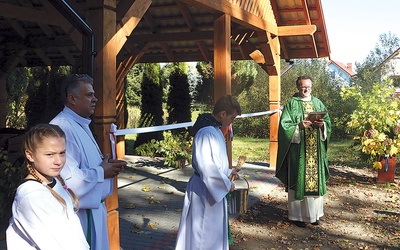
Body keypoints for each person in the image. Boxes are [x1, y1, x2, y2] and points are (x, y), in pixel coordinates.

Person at [50, 74, 126, 250]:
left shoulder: (79, 123)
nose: (95, 99)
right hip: (82, 216)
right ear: (72, 98)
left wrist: (104, 164)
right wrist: (102, 172)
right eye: (89, 95)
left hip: (95, 211)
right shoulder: (62, 127)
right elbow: (68, 181)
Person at [6, 124, 89, 249]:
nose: (59, 161)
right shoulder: (31, 195)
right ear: (30, 155)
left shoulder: (54, 181)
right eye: (50, 154)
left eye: (62, 153)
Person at [175, 95, 241, 250]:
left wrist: (229, 171)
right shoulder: (206, 133)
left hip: (212, 189)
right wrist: (226, 185)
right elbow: (207, 167)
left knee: (212, 233)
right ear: (222, 114)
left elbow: (215, 161)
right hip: (205, 191)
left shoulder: (215, 130)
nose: (232, 122)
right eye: (232, 118)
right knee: (203, 233)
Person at [275, 76, 331, 227]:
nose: (306, 90)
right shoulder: (291, 104)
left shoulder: (318, 102)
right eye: (303, 87)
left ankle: (314, 216)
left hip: (315, 153)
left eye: (308, 87)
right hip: (298, 151)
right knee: (299, 181)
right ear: (297, 87)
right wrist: (298, 126)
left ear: (312, 87)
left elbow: (329, 124)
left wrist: (322, 125)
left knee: (314, 183)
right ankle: (298, 217)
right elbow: (284, 127)